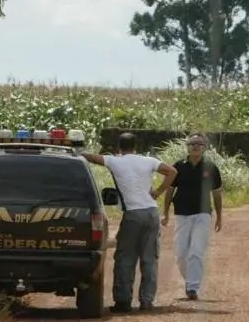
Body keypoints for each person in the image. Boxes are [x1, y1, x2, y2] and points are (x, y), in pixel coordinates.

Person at [83, 133, 177, 312]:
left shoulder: (115, 161)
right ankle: (147, 301)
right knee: (149, 259)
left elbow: (95, 158)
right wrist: (158, 192)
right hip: (151, 213)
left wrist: (79, 151)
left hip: (133, 214)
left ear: (119, 148)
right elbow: (172, 171)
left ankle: (123, 301)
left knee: (125, 258)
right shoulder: (148, 160)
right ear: (136, 146)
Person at [161, 134, 223, 300]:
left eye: (199, 144)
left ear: (204, 147)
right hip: (182, 214)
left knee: (196, 251)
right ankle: (190, 280)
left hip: (203, 214)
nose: (195, 146)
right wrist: (165, 212)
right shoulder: (178, 167)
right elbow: (170, 190)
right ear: (187, 146)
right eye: (192, 144)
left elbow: (217, 194)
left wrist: (219, 216)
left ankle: (192, 287)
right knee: (181, 253)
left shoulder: (211, 167)